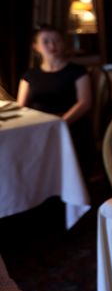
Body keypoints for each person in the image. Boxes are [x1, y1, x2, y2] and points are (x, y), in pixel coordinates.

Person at [17, 25, 94, 178]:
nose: (52, 45)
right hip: (39, 127)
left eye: (56, 41)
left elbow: (84, 103)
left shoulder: (78, 71)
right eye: (46, 41)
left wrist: (60, 123)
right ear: (36, 47)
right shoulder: (29, 75)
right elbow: (21, 107)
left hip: (70, 125)